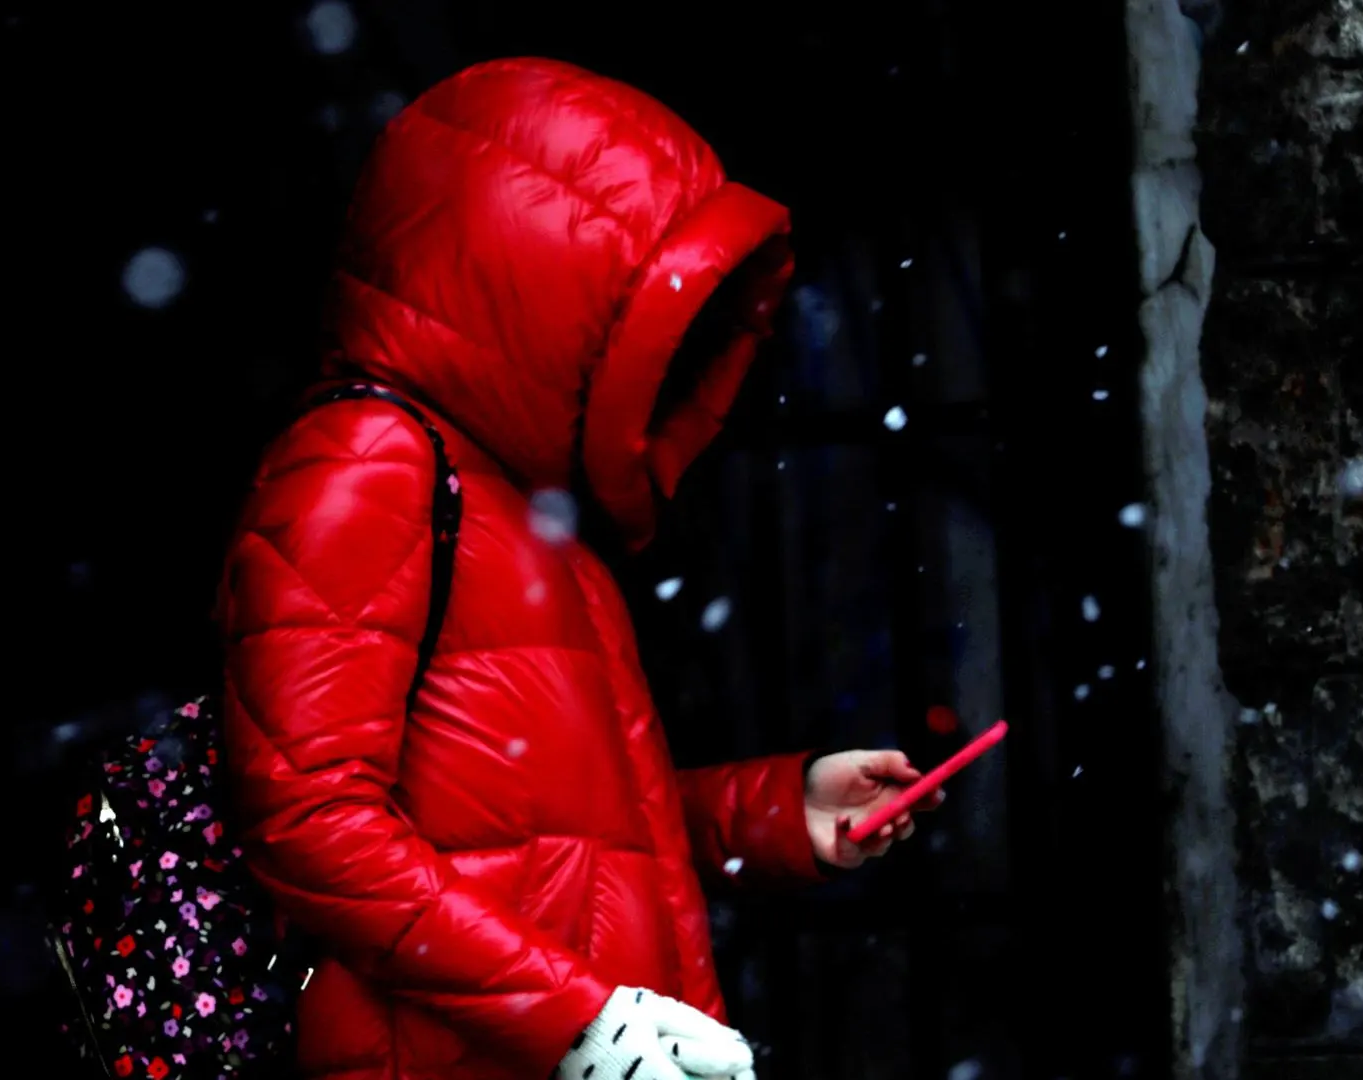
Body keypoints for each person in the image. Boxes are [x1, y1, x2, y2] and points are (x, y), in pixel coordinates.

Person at [216, 57, 941, 1080]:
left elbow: (555, 844)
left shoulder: (526, 513)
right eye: (644, 315)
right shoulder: (372, 460)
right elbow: (306, 822)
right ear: (538, 282)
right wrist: (574, 1021)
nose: (667, 363)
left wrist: (779, 811)